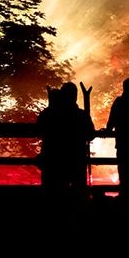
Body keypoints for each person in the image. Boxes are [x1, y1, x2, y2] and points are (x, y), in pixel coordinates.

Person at [36, 81, 96, 209]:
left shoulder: (50, 114)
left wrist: (50, 105)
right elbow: (90, 135)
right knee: (77, 197)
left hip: (53, 161)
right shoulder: (81, 114)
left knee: (53, 197)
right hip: (76, 162)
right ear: (75, 96)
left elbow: (39, 130)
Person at [105, 77, 129, 209]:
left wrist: (107, 131)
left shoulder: (119, 102)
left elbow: (111, 123)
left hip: (123, 145)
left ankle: (125, 202)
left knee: (125, 175)